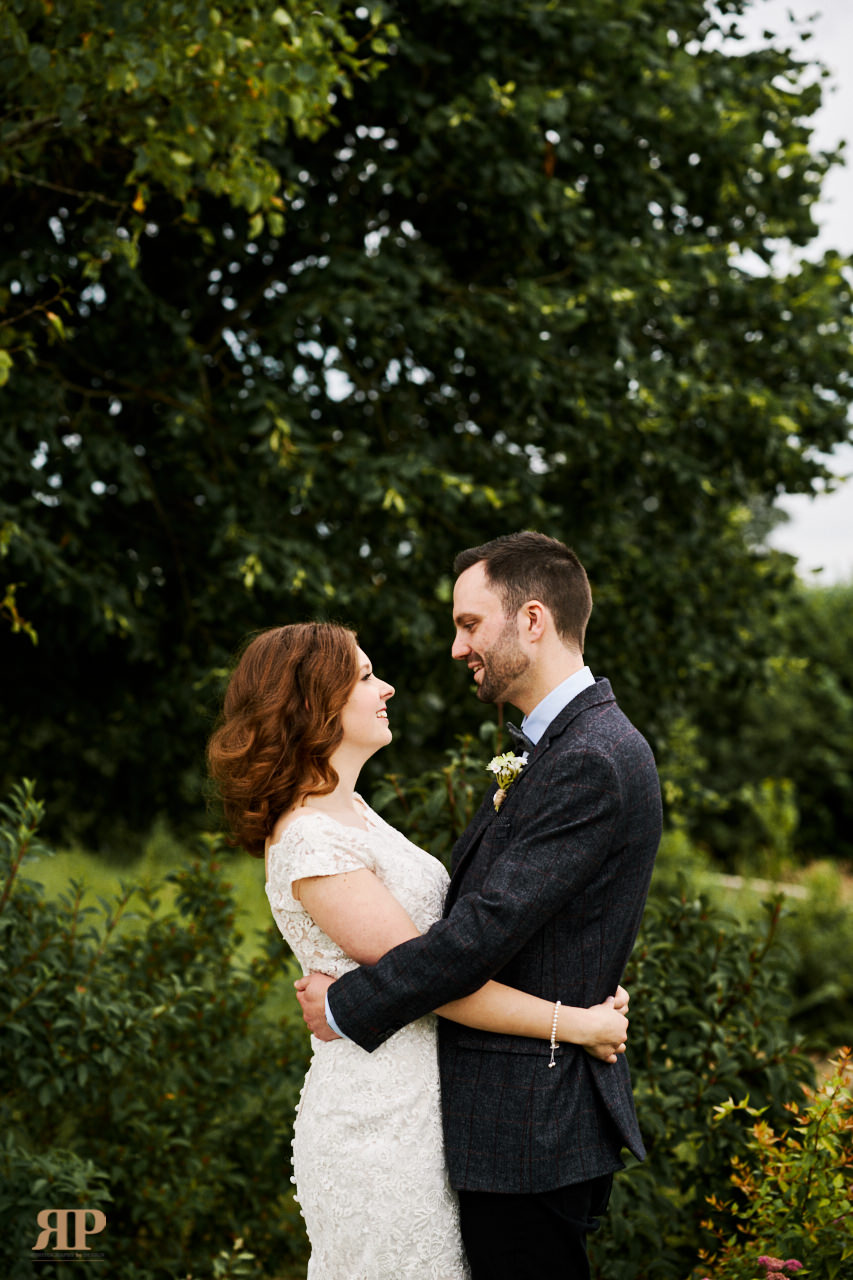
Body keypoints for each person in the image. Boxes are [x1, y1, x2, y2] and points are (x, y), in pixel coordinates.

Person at [207, 619, 632, 1280]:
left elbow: (447, 951)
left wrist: (346, 998)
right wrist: (578, 1025)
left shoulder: (352, 811)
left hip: (429, 1106)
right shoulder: (312, 840)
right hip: (381, 1121)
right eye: (366, 676)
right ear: (315, 703)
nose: (387, 688)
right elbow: (432, 975)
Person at [296, 531, 663, 1280]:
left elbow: (479, 934)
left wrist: (346, 1004)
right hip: (509, 1115)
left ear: (532, 620)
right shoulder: (558, 746)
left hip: (526, 1124)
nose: (457, 646)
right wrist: (584, 1001)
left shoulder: (587, 757)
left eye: (469, 624)